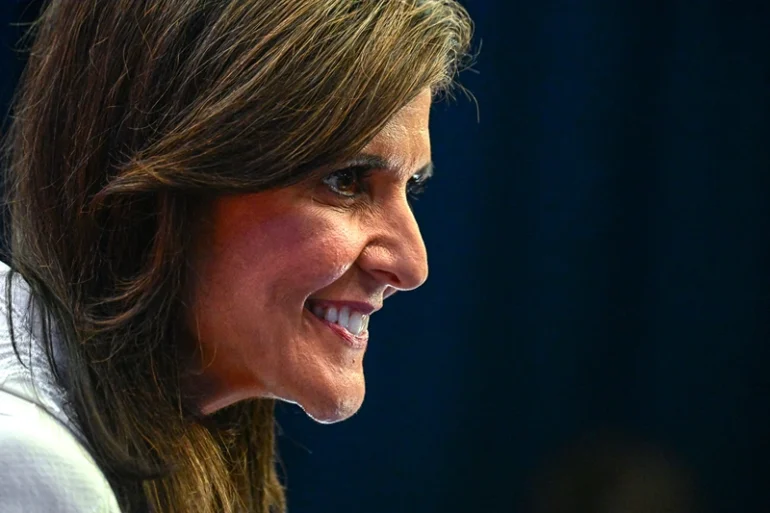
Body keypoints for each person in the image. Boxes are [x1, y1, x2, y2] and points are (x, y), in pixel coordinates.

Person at [0, 1, 473, 512]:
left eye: (413, 188)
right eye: (346, 181)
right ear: (162, 181)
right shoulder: (33, 466)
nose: (411, 265)